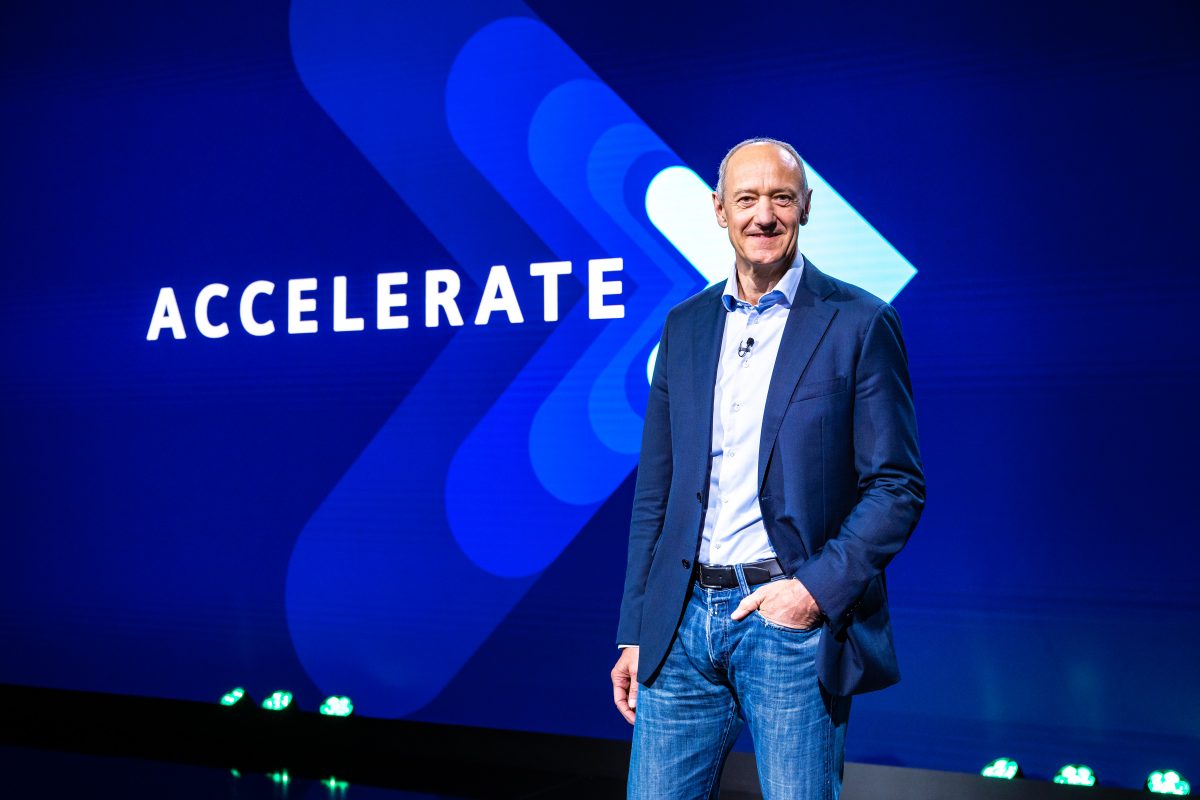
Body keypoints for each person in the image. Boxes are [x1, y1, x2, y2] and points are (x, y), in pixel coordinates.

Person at [611, 137, 925, 800]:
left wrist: (811, 592)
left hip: (786, 626)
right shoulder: (685, 326)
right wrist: (637, 629)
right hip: (679, 625)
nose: (764, 215)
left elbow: (896, 486)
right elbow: (656, 493)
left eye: (781, 198)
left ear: (805, 207)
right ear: (718, 210)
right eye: (747, 198)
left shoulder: (860, 322)